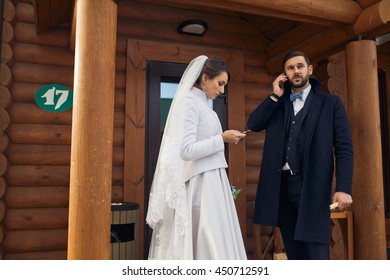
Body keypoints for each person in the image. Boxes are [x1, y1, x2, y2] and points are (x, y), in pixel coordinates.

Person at [247, 50, 353, 260]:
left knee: (316, 254)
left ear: (309, 70)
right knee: (294, 255)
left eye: (300, 66)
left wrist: (343, 188)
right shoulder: (278, 102)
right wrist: (274, 95)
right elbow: (253, 124)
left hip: (312, 187)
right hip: (282, 187)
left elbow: (344, 147)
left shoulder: (330, 104)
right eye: (290, 68)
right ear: (284, 74)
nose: (296, 71)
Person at [146, 55, 247, 260]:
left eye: (224, 85)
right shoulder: (188, 101)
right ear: (204, 78)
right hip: (201, 185)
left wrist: (222, 139)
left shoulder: (202, 104)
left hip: (213, 182)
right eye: (220, 83)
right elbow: (186, 150)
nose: (222, 90)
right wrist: (221, 138)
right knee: (206, 241)